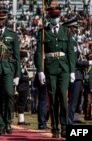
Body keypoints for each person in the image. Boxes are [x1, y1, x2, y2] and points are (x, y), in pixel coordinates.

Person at [35, 7, 75, 138]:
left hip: (63, 68)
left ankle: (64, 126)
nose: (55, 19)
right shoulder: (42, 32)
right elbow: (39, 53)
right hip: (50, 69)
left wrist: (72, 71)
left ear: (60, 17)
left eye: (57, 17)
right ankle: (55, 128)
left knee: (63, 97)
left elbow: (70, 53)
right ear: (49, 18)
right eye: (52, 17)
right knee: (52, 99)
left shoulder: (66, 32)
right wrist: (40, 71)